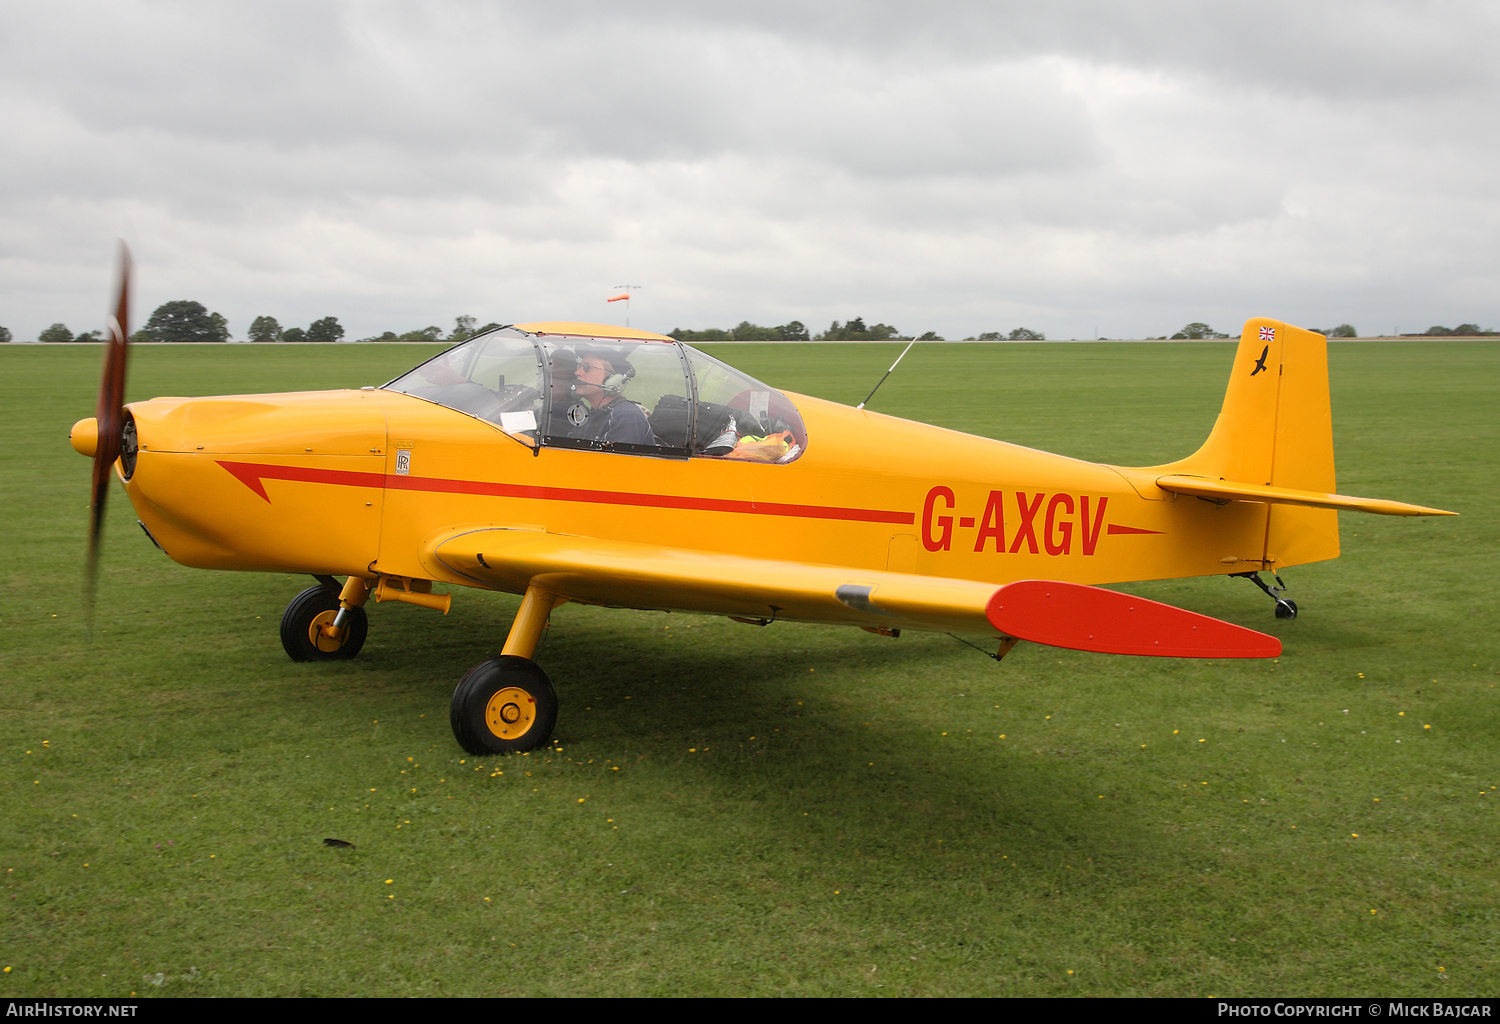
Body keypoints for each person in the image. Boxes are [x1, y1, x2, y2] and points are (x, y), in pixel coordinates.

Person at [567, 347, 658, 446]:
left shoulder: (625, 416)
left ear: (613, 379)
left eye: (586, 367)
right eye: (578, 367)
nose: (577, 373)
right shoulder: (593, 414)